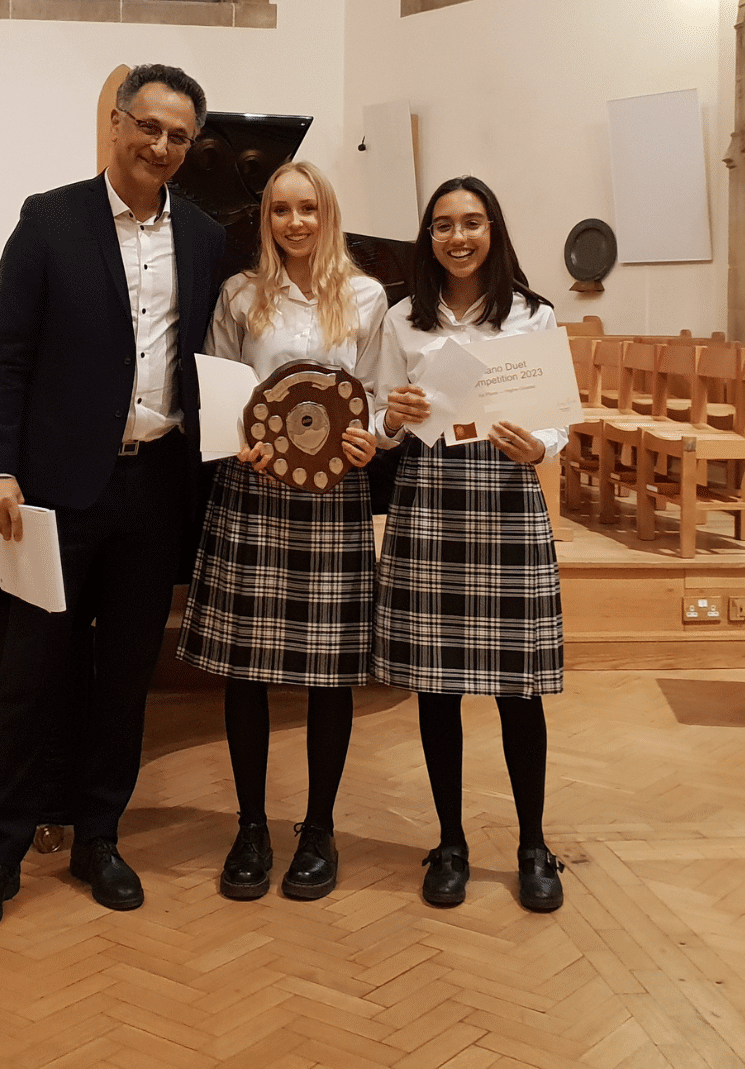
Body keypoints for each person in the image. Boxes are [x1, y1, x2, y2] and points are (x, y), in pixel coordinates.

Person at [0, 64, 227, 938]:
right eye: (148, 127)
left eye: (179, 137)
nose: (161, 147)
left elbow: (218, 367)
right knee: (28, 673)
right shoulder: (50, 219)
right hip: (55, 491)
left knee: (125, 680)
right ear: (116, 123)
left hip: (154, 489)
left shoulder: (213, 241)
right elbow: (11, 356)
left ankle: (99, 837)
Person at [175, 162, 387, 903]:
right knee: (248, 667)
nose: (295, 223)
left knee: (331, 672)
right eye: (280, 212)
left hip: (333, 498)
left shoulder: (367, 296)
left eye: (307, 209)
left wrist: (374, 438)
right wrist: (235, 437)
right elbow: (220, 389)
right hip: (255, 489)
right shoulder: (241, 295)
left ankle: (319, 829)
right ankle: (252, 827)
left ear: (327, 213)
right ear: (266, 220)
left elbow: (380, 398)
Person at [372, 175, 570, 913]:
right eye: (444, 224)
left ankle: (531, 844)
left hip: (507, 499)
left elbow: (558, 424)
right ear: (428, 238)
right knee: (438, 686)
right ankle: (449, 842)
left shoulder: (534, 315)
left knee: (519, 689)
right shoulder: (402, 321)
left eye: (473, 222)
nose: (459, 237)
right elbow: (382, 418)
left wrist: (537, 447)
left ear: (494, 231)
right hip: (428, 499)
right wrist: (392, 415)